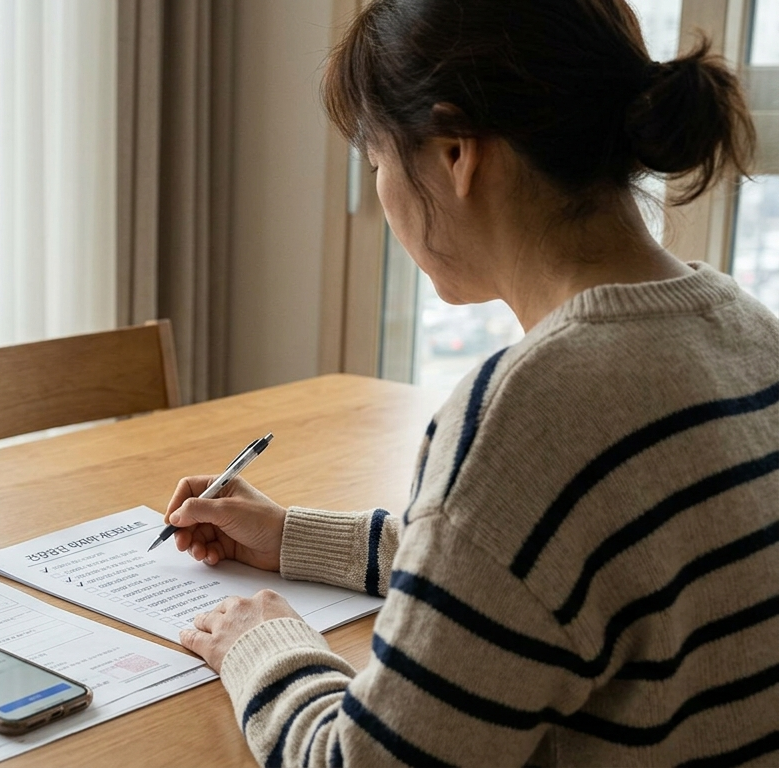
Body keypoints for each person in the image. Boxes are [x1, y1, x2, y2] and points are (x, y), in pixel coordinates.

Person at [166, 1, 779, 766]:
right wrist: (296, 537)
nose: (382, 188)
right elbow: (542, 563)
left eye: (378, 161)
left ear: (455, 152)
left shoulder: (529, 412)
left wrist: (262, 643)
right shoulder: (745, 329)